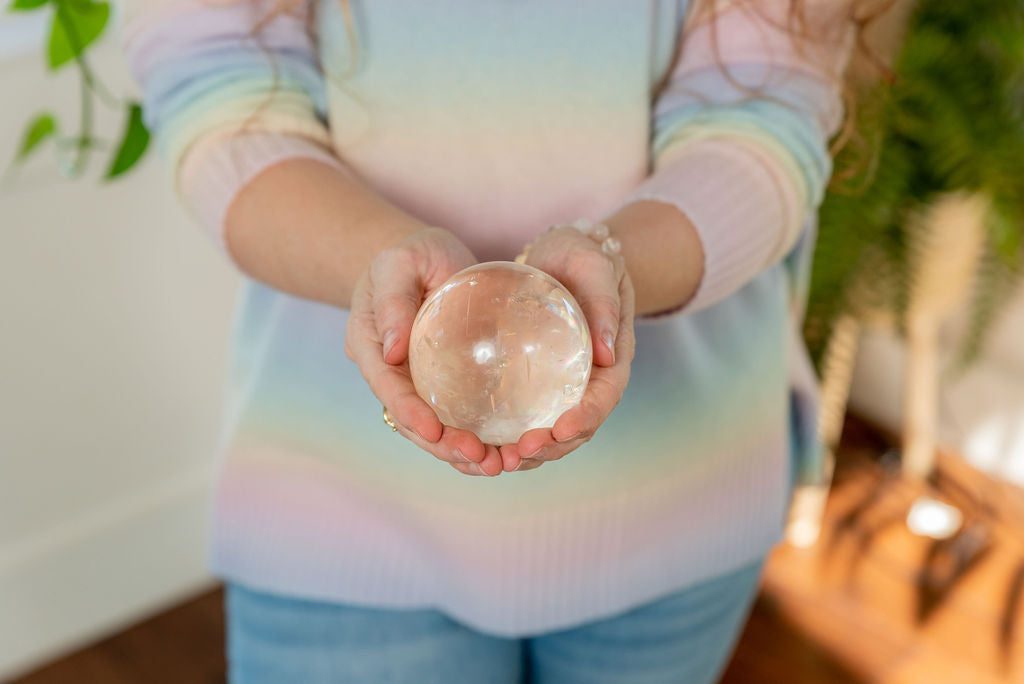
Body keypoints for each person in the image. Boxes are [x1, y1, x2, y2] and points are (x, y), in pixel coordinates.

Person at [122, 0, 855, 681]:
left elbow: (766, 109)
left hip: (678, 492)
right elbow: (221, 98)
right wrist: (385, 266)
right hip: (337, 507)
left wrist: (615, 263)